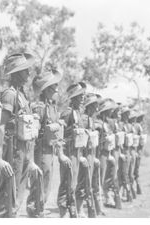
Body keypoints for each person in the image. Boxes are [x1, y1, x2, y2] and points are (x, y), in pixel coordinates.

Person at [0, 53, 44, 218]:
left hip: (23, 151)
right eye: (25, 70)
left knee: (16, 196)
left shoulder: (23, 95)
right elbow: (0, 126)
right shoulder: (10, 94)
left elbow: (29, 132)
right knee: (8, 195)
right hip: (12, 151)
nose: (29, 73)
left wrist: (31, 160)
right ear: (16, 73)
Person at [31, 69, 65, 209]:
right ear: (46, 89)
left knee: (48, 180)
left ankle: (40, 206)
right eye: (54, 87)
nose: (56, 90)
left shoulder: (52, 107)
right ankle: (35, 207)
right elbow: (34, 132)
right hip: (41, 149)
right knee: (40, 179)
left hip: (50, 149)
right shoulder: (40, 107)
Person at [58, 82, 88, 217]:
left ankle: (72, 211)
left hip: (76, 154)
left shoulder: (78, 113)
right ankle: (63, 215)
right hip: (68, 154)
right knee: (66, 185)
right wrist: (61, 155)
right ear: (73, 97)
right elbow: (60, 136)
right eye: (80, 96)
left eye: (83, 96)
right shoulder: (67, 113)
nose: (83, 98)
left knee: (72, 186)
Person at [82, 93, 105, 215]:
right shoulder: (85, 119)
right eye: (95, 106)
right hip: (85, 156)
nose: (97, 109)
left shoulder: (91, 119)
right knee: (85, 183)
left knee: (91, 183)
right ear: (90, 106)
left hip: (92, 155)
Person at [97, 99, 122, 209]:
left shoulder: (109, 123)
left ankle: (107, 197)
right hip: (100, 153)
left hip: (107, 153)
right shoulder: (99, 123)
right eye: (108, 110)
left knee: (110, 175)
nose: (110, 112)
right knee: (100, 177)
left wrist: (110, 154)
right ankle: (99, 202)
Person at [118, 106, 133, 202]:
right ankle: (122, 193)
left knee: (126, 173)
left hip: (128, 151)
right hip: (121, 152)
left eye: (128, 113)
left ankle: (126, 192)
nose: (127, 115)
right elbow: (118, 141)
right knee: (121, 173)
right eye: (125, 114)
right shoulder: (119, 125)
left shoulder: (130, 126)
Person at [133, 111, 146, 195]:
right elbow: (140, 141)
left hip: (136, 152)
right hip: (136, 152)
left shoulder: (136, 126)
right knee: (135, 171)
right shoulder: (138, 126)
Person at [128, 110, 139, 200]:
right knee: (127, 173)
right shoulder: (126, 126)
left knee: (131, 172)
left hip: (133, 151)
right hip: (128, 151)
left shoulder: (134, 127)